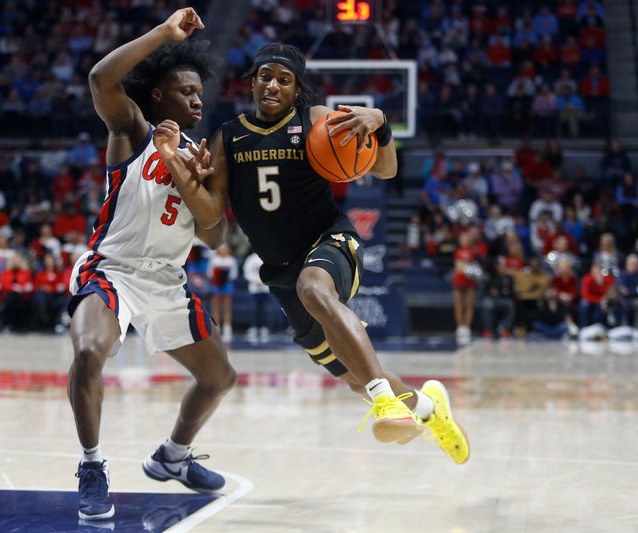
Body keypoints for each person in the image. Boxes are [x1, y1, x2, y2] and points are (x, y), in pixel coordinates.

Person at [160, 42, 469, 464]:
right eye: (265, 76)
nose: (272, 85)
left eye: (283, 79)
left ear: (296, 89)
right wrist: (182, 172)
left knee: (315, 289)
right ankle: (430, 409)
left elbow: (386, 169)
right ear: (252, 82)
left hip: (330, 242)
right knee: (356, 377)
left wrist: (379, 123)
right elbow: (212, 221)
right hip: (280, 269)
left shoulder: (318, 121)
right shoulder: (228, 136)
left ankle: (385, 402)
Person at [67, 8, 236, 522]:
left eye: (199, 92)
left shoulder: (199, 155)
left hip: (166, 281)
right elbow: (101, 77)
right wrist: (165, 33)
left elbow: (214, 234)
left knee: (219, 378)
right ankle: (92, 466)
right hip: (112, 270)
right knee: (90, 351)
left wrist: (191, 178)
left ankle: (174, 457)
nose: (197, 98)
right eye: (186, 91)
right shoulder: (133, 129)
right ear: (158, 95)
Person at [206, 244, 238, 342]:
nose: (223, 251)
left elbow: (234, 274)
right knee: (215, 307)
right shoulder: (214, 260)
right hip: (216, 285)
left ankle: (227, 329)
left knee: (227, 308)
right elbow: (209, 273)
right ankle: (216, 328)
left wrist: (224, 276)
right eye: (221, 249)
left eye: (225, 249)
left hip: (227, 285)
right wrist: (217, 276)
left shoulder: (231, 260)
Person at [243, 252, 270, 343]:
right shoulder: (251, 259)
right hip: (254, 289)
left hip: (265, 288)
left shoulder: (266, 257)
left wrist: (264, 280)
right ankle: (254, 328)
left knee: (264, 309)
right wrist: (254, 279)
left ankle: (264, 328)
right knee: (254, 309)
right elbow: (247, 272)